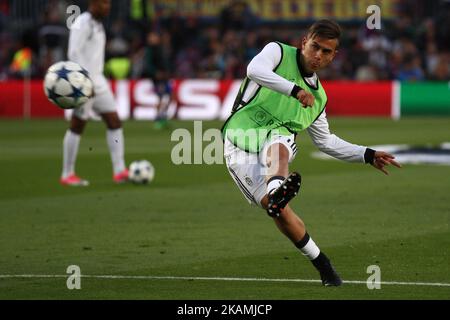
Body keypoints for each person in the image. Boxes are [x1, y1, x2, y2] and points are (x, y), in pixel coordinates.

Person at [222, 20, 401, 286]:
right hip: (239, 141)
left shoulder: (318, 100)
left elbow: (326, 142)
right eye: (315, 47)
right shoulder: (277, 52)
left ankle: (321, 262)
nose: (318, 55)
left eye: (326, 52)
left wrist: (367, 154)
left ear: (334, 56)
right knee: (279, 212)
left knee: (281, 139)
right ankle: (318, 256)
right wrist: (294, 90)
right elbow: (254, 70)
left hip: (274, 144)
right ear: (304, 42)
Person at [60, 0, 128, 186]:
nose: (108, 6)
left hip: (99, 81)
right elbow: (73, 53)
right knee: (77, 125)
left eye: (109, 3)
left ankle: (119, 170)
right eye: (104, 3)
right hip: (85, 82)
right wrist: (82, 81)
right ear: (93, 4)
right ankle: (67, 173)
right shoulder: (82, 23)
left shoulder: (97, 25)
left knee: (114, 121)